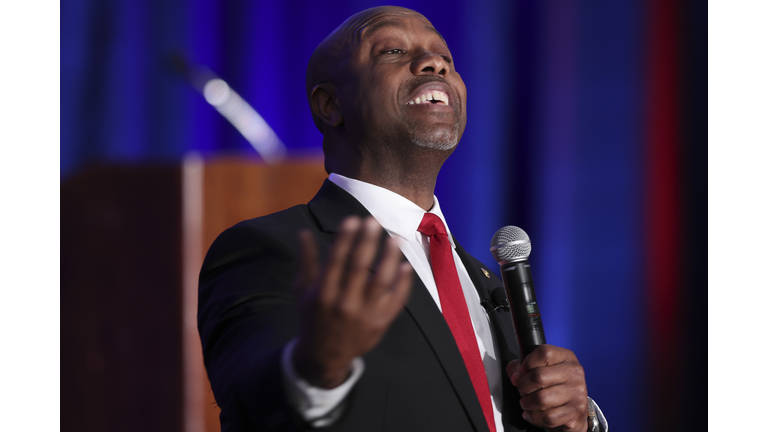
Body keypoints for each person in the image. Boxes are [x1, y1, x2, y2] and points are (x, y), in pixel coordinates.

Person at [198, 6, 607, 432]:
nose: (435, 63)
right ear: (330, 104)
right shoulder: (269, 249)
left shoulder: (483, 279)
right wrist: (317, 366)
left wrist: (579, 418)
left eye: (445, 58)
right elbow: (254, 399)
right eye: (393, 50)